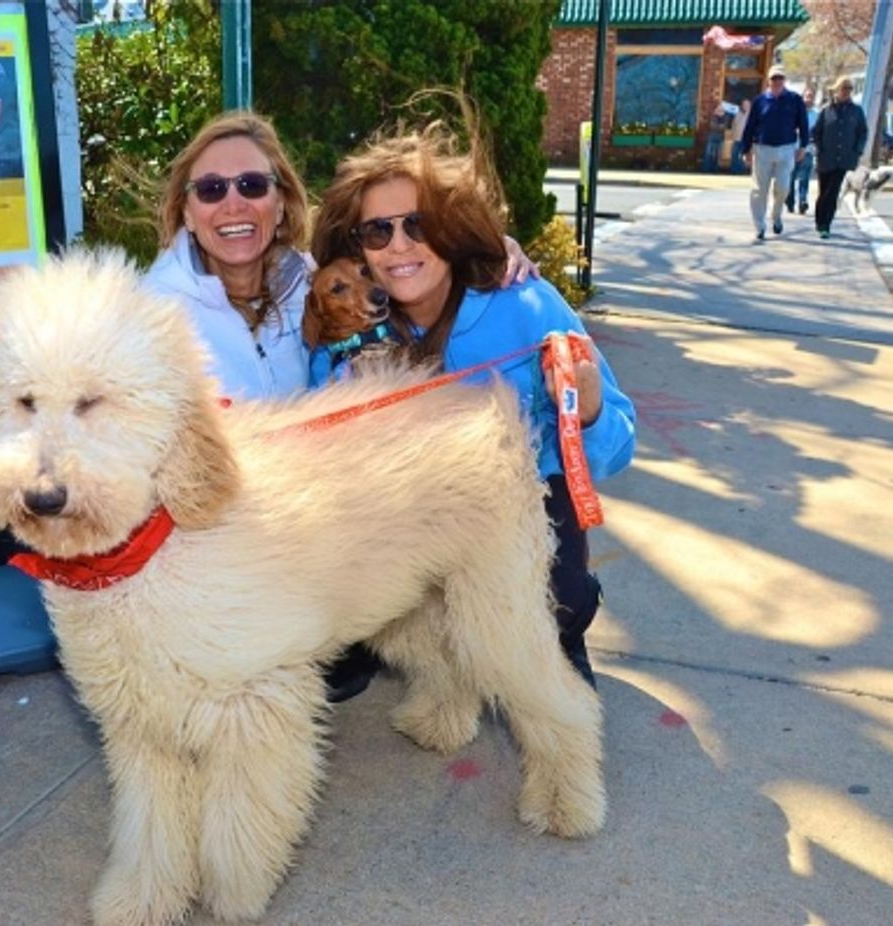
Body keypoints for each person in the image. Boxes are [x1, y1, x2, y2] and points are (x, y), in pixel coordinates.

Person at [144, 110, 539, 698]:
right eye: (211, 189)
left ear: (280, 204)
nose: (233, 203)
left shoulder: (303, 277)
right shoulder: (151, 313)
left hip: (313, 520)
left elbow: (398, 272)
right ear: (185, 209)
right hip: (211, 542)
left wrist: (488, 252)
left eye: (253, 185)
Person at [310, 118, 637, 688]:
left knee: (554, 601)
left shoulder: (526, 307)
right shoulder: (343, 342)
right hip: (410, 512)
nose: (400, 245)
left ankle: (564, 622)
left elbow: (616, 450)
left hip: (516, 502)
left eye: (419, 224)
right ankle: (384, 643)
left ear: (450, 228)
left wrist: (586, 412)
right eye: (377, 232)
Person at [740, 65, 810, 240]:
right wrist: (746, 149)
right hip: (762, 148)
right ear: (768, 81)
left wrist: (803, 147)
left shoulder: (795, 100)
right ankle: (759, 225)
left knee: (783, 187)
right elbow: (749, 127)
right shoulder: (760, 101)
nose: (777, 82)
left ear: (784, 80)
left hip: (786, 149)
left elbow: (803, 125)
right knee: (759, 190)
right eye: (774, 78)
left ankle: (776, 215)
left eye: (780, 78)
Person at [811, 77, 868, 240]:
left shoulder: (856, 111)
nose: (846, 92)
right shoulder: (826, 110)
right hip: (826, 158)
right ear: (837, 90)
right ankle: (819, 219)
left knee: (833, 191)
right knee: (824, 191)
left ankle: (826, 224)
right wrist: (819, 148)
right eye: (844, 88)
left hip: (844, 158)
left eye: (849, 89)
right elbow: (816, 131)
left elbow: (863, 132)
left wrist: (857, 150)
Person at [785, 87, 819, 214]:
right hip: (793, 148)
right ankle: (790, 201)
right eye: (806, 96)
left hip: (808, 150)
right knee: (791, 177)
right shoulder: (794, 112)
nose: (808, 99)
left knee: (804, 178)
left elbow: (818, 132)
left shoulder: (816, 115)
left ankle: (803, 201)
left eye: (811, 96)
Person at [702, 101, 729, 173]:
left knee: (717, 154)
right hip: (712, 136)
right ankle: (706, 169)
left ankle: (715, 170)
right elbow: (712, 126)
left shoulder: (725, 117)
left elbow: (724, 127)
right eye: (719, 108)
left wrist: (719, 126)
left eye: (722, 108)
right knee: (709, 153)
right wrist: (719, 126)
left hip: (720, 137)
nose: (720, 110)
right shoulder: (713, 116)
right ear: (716, 109)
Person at [728, 98, 751, 174]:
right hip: (736, 138)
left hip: (746, 139)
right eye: (744, 104)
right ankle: (733, 170)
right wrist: (733, 134)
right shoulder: (737, 114)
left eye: (747, 104)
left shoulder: (752, 115)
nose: (746, 106)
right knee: (734, 154)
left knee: (742, 156)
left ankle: (741, 171)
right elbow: (734, 125)